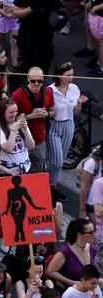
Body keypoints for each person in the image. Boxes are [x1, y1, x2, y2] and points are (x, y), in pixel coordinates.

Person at [13, 0, 61, 74]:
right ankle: (19, 83)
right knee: (31, 64)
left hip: (46, 32)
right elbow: (16, 12)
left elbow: (56, 8)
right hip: (29, 33)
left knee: (46, 60)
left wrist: (58, 18)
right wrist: (31, 8)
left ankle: (39, 86)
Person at [48, 62, 86, 199]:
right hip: (54, 126)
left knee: (61, 159)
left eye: (72, 74)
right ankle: (49, 182)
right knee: (57, 161)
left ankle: (52, 185)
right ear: (59, 75)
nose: (71, 78)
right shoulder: (50, 90)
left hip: (69, 125)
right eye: (68, 75)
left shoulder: (74, 88)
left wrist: (79, 103)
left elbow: (75, 112)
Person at [11, 67, 55, 173]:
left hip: (39, 140)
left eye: (40, 81)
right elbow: (10, 119)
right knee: (20, 171)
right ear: (28, 78)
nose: (36, 83)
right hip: (20, 140)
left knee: (39, 170)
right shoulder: (17, 95)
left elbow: (53, 111)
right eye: (33, 81)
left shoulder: (48, 91)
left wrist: (47, 114)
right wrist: (31, 116)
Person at [48, 218, 97, 290]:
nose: (93, 234)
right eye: (90, 232)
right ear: (79, 234)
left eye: (94, 231)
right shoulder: (65, 252)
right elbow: (50, 271)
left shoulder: (92, 248)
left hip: (86, 292)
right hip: (69, 293)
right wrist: (70, 282)